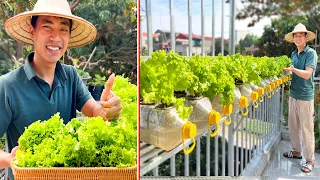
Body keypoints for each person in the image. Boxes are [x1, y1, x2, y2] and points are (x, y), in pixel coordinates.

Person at [0, 0, 122, 179]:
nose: (56, 37)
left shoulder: (71, 76)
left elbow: (95, 111)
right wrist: (10, 158)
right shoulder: (7, 86)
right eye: (47, 27)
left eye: (63, 29)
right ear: (32, 32)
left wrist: (107, 109)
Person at [283, 23, 317, 173]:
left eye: (300, 35)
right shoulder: (293, 54)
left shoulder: (311, 54)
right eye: (295, 35)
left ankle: (309, 160)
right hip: (293, 95)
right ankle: (297, 152)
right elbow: (294, 73)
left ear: (305, 37)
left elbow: (308, 74)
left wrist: (293, 69)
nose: (298, 37)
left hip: (305, 97)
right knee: (293, 127)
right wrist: (285, 73)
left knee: (307, 130)